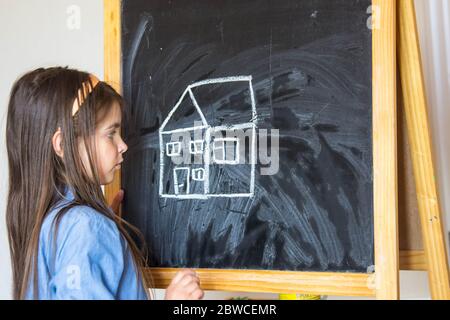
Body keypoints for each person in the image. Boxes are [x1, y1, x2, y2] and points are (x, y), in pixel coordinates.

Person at [6, 67, 204, 300]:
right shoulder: (84, 226)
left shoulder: (50, 221)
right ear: (61, 145)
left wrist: (101, 231)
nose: (123, 145)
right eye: (111, 134)